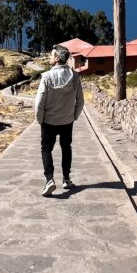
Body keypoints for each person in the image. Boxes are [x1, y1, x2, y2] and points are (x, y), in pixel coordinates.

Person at [35, 44, 84, 196]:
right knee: (66, 148)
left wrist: (40, 119)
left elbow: (39, 102)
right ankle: (66, 179)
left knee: (46, 149)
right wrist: (74, 116)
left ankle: (49, 179)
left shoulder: (47, 77)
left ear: (56, 59)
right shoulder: (74, 77)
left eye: (51, 55)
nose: (49, 57)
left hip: (49, 122)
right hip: (67, 121)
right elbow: (80, 101)